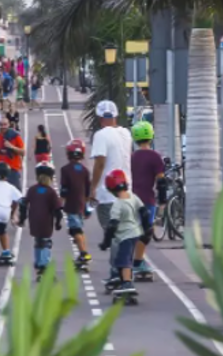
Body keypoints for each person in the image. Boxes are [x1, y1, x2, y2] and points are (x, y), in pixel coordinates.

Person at [89, 100, 134, 277]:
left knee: (114, 234)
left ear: (100, 118)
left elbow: (100, 163)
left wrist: (92, 188)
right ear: (115, 116)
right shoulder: (126, 134)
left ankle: (117, 271)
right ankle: (125, 271)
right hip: (127, 192)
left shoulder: (101, 135)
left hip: (107, 194)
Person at [97, 170, 145, 297]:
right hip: (136, 233)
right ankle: (123, 279)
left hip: (125, 236)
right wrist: (147, 229)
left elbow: (112, 226)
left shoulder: (117, 205)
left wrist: (105, 243)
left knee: (124, 260)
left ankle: (127, 283)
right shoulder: (133, 196)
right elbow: (144, 212)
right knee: (123, 259)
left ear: (110, 189)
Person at [129, 121, 164, 283]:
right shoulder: (155, 157)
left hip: (131, 199)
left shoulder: (132, 157)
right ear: (151, 136)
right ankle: (137, 262)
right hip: (147, 199)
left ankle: (134, 260)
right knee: (146, 232)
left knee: (133, 231)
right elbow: (161, 182)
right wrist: (162, 200)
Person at [20, 162, 64, 280]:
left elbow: (23, 204)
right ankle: (44, 268)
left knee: (38, 241)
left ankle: (39, 266)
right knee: (45, 243)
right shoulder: (51, 192)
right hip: (46, 222)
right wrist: (58, 222)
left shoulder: (32, 190)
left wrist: (21, 219)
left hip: (34, 221)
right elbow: (58, 210)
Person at [60, 139, 92, 264]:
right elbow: (88, 190)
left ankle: (84, 253)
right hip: (81, 204)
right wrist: (87, 206)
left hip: (71, 204)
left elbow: (64, 189)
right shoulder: (85, 170)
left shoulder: (65, 169)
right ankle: (83, 251)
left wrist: (59, 204)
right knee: (79, 229)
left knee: (75, 230)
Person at [0, 116, 26, 190]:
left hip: (13, 170)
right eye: (1, 125)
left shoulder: (15, 137)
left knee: (17, 196)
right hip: (0, 171)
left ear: (8, 125)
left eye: (5, 124)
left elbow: (23, 152)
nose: (3, 127)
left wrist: (11, 147)